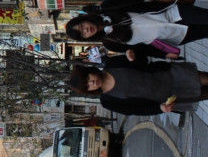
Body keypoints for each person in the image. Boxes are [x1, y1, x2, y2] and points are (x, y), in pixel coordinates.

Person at [65, 0, 208, 59]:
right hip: (175, 36)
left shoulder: (107, 8)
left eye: (82, 26)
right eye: (82, 33)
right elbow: (142, 50)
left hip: (172, 13)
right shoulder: (110, 43)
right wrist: (164, 55)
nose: (86, 30)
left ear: (84, 19)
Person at [69, 50, 208, 116]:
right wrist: (159, 108)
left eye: (88, 78)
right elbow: (135, 110)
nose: (92, 82)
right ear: (89, 91)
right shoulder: (108, 101)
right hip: (167, 98)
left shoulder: (112, 64)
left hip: (169, 74)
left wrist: (132, 55)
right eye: (88, 85)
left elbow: (143, 60)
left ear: (90, 71)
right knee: (203, 94)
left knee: (204, 78)